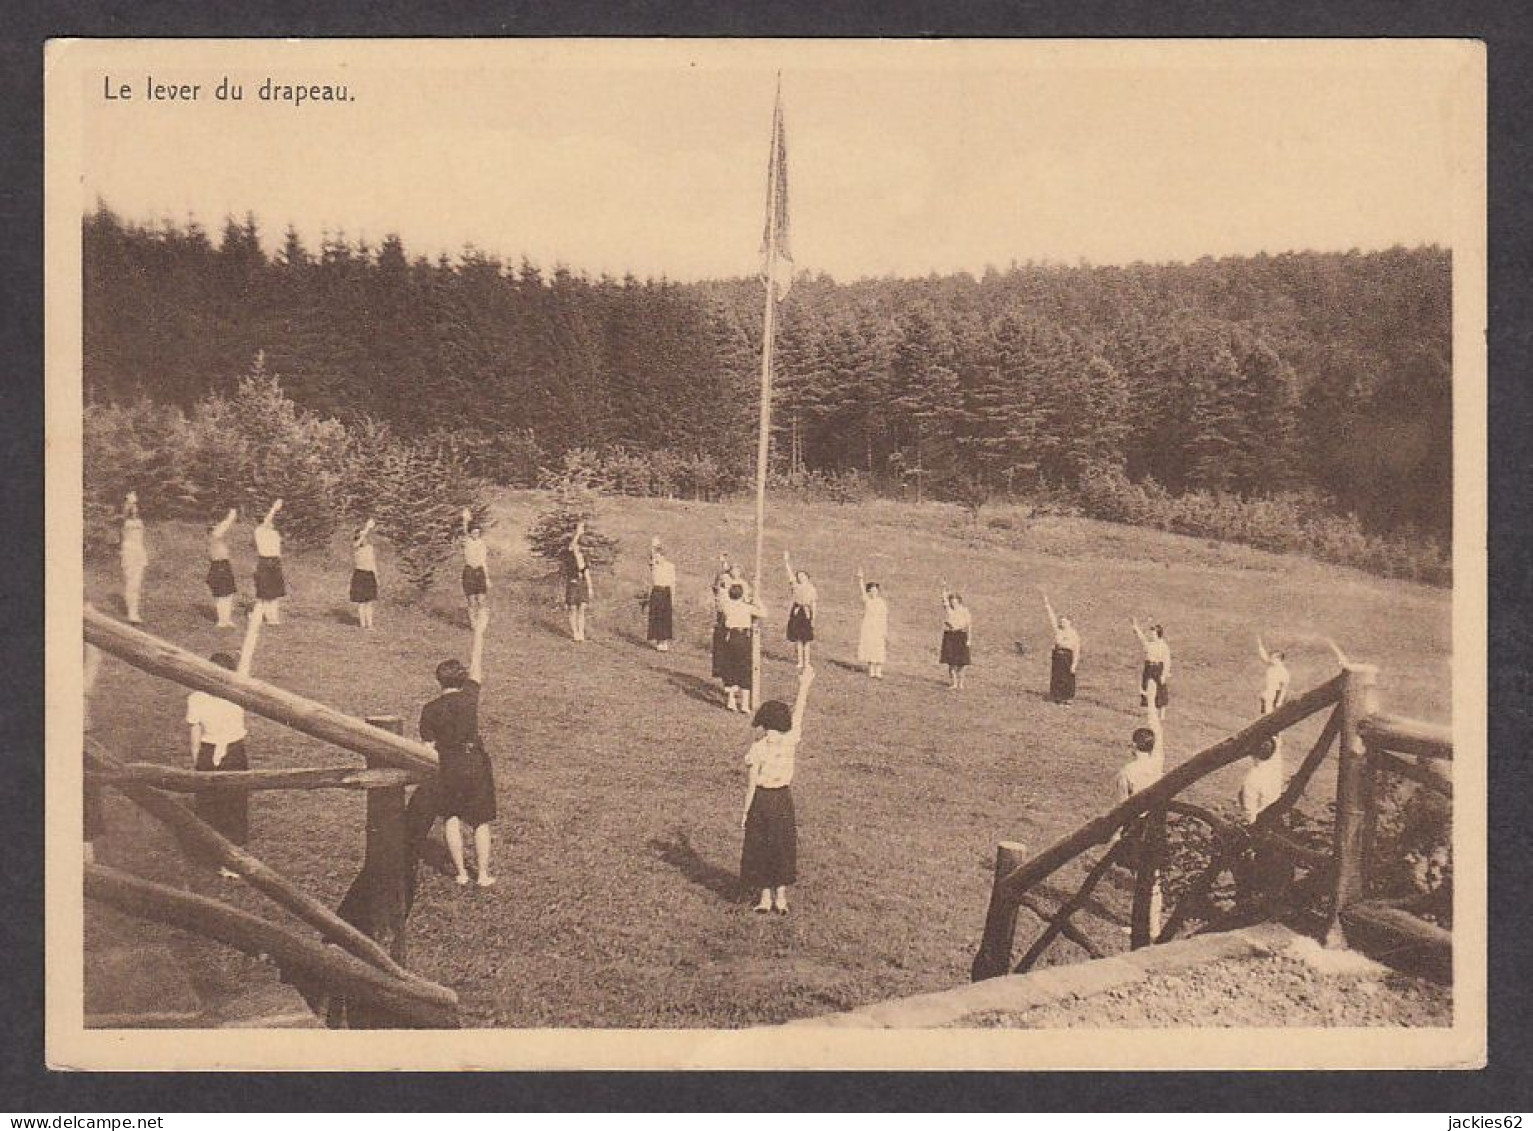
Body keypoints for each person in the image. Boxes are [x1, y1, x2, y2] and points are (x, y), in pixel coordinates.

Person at [419, 609, 496, 888]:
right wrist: (479, 631)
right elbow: (477, 666)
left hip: (447, 765)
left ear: (439, 681)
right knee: (480, 821)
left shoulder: (429, 710)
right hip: (473, 761)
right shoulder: (469, 699)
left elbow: (427, 749)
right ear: (461, 680)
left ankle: (462, 873)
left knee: (450, 817)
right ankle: (484, 874)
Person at [186, 605, 265, 877]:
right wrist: (254, 622)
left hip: (208, 755)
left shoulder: (196, 697)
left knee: (210, 805)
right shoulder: (234, 693)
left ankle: (212, 854)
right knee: (234, 804)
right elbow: (248, 654)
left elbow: (194, 737)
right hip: (233, 753)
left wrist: (197, 764)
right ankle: (229, 862)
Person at [741, 665, 815, 915]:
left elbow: (800, 711)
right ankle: (766, 897)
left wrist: (805, 685)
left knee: (780, 846)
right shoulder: (765, 747)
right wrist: (746, 810)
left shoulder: (782, 742)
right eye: (768, 729)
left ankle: (779, 896)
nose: (771, 733)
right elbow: (752, 782)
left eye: (774, 728)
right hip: (767, 800)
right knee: (763, 846)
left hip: (777, 799)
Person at [1113, 683, 1166, 934]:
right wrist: (1153, 704)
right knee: (1154, 877)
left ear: (1134, 746)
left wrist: (1115, 835)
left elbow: (1122, 809)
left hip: (1137, 827)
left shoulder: (1127, 773)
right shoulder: (1157, 763)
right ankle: (1153, 925)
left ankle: (1142, 927)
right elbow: (1158, 730)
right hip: (1157, 823)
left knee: (1141, 879)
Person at [1235, 735, 1293, 913]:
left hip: (1262, 824)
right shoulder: (1275, 767)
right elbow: (1278, 743)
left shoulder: (1252, 778)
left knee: (1264, 867)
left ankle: (1263, 906)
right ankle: (1278, 901)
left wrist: (1251, 836)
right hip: (1279, 822)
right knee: (1281, 864)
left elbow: (1250, 813)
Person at [718, 581, 765, 713]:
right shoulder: (746, 607)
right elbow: (764, 613)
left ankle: (731, 701)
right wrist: (757, 601)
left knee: (731, 667)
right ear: (742, 595)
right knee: (744, 668)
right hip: (743, 638)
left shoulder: (726, 606)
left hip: (730, 637)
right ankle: (744, 704)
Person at [1041, 590, 1080, 705]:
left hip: (1068, 657)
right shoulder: (1058, 631)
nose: (1063, 623)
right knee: (1057, 676)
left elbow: (1077, 650)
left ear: (1070, 622)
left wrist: (1074, 664)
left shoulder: (1074, 634)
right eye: (1061, 621)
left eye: (1065, 622)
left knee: (1068, 677)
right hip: (1057, 655)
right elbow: (1051, 618)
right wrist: (1047, 604)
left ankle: (1068, 698)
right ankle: (1057, 696)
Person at [252, 499, 286, 626]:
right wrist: (274, 508)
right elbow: (267, 521)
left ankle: (274, 618)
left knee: (275, 593)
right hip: (265, 562)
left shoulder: (274, 532)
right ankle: (269, 617)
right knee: (266, 593)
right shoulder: (259, 531)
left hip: (275, 562)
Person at [783, 551, 817, 671]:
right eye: (799, 576)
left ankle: (807, 662)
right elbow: (790, 575)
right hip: (797, 613)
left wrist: (813, 618)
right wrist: (786, 562)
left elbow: (813, 604)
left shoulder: (812, 589)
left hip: (806, 613)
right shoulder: (796, 586)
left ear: (808, 577)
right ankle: (800, 661)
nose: (801, 578)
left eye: (803, 576)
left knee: (806, 640)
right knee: (798, 639)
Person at [1131, 618, 1171, 720]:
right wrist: (1136, 627)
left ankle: (1162, 715)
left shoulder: (1163, 646)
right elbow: (1142, 638)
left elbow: (1167, 661)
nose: (1151, 635)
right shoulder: (1150, 644)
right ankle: (1150, 712)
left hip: (1158, 668)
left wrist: (1164, 675)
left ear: (1158, 634)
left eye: (1153, 634)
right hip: (1148, 667)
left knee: (1161, 690)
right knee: (1145, 688)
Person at [206, 508, 239, 628]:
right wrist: (231, 516)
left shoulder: (217, 539)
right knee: (221, 595)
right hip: (218, 566)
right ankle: (221, 621)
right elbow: (222, 527)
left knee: (229, 594)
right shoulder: (213, 537)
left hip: (224, 565)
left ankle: (227, 619)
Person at [856, 566, 889, 679]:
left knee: (879, 648)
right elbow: (862, 591)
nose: (873, 592)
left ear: (878, 591)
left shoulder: (882, 603)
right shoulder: (868, 601)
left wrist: (884, 630)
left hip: (878, 627)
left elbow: (884, 617)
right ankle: (871, 670)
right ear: (869, 592)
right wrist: (860, 579)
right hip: (868, 626)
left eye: (875, 590)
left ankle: (878, 671)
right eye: (871, 591)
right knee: (870, 647)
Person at [120, 491, 148, 624]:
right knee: (131, 583)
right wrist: (130, 500)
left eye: (136, 506)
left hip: (139, 552)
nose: (135, 509)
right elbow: (125, 512)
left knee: (137, 583)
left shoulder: (140, 521)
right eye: (133, 506)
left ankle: (134, 610)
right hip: (129, 552)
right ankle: (132, 612)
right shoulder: (125, 520)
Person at [562, 521, 593, 642]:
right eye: (576, 546)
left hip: (582, 584)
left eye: (579, 546)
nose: (577, 548)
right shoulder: (569, 555)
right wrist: (578, 533)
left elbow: (587, 572)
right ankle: (575, 633)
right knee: (573, 608)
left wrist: (590, 587)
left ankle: (581, 633)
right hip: (573, 583)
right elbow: (571, 546)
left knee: (582, 609)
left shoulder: (584, 557)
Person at [938, 582, 972, 690]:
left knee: (962, 662)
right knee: (951, 662)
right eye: (952, 602)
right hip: (950, 636)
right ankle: (954, 683)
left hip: (961, 636)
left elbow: (969, 625)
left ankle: (961, 683)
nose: (953, 604)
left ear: (959, 602)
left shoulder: (965, 611)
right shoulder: (949, 610)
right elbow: (944, 600)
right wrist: (943, 587)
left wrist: (969, 639)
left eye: (955, 602)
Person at [460, 509, 490, 622]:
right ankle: (473, 622)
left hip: (480, 571)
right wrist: (466, 518)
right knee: (472, 600)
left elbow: (484, 561)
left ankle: (482, 620)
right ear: (470, 533)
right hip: (469, 572)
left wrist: (487, 578)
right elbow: (464, 531)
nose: (475, 535)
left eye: (477, 532)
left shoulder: (482, 544)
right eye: (473, 532)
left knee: (481, 600)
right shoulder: (467, 542)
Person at [350, 518, 379, 629]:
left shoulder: (369, 548)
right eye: (362, 537)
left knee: (369, 602)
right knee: (361, 602)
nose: (364, 539)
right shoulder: (356, 548)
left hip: (369, 575)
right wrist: (367, 528)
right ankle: (362, 625)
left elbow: (373, 563)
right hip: (360, 575)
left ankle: (370, 625)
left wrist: (376, 576)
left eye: (365, 537)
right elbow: (357, 543)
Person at [647, 537, 675, 651]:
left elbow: (672, 582)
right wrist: (654, 545)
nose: (658, 558)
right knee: (657, 615)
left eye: (660, 556)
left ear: (664, 556)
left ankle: (664, 641)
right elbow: (651, 556)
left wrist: (673, 596)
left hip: (666, 592)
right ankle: (659, 640)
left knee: (666, 616)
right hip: (657, 591)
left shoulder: (670, 566)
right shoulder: (654, 566)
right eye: (656, 557)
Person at [710, 554, 734, 681]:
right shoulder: (719, 593)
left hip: (732, 619)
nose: (724, 582)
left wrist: (725, 563)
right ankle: (720, 669)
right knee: (720, 643)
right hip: (722, 618)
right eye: (722, 581)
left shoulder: (733, 592)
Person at [1256, 636, 1291, 714]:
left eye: (1273, 658)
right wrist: (1260, 645)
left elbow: (1284, 689)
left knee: (1270, 715)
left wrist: (1279, 701)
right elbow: (1264, 657)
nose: (1270, 659)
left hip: (1275, 695)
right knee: (1266, 715)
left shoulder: (1284, 673)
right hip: (1269, 693)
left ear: (1279, 659)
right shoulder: (1272, 666)